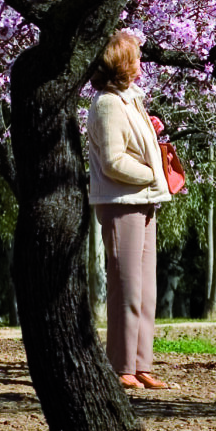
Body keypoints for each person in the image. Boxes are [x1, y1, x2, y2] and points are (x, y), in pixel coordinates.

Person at [87, 26, 173, 391]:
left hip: (145, 200)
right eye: (135, 56)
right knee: (126, 286)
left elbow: (136, 144)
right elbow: (112, 161)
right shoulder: (107, 103)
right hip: (121, 202)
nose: (140, 62)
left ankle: (141, 364)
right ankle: (121, 365)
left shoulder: (131, 99)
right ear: (121, 63)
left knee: (146, 289)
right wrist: (154, 173)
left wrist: (151, 133)